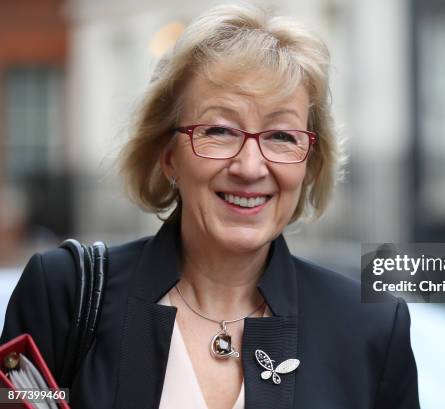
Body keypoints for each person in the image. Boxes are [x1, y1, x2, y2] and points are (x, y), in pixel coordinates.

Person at [1, 4, 419, 408]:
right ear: (169, 155)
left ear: (309, 164)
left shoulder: (372, 328)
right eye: (219, 130)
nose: (250, 166)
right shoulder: (64, 296)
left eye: (281, 136)